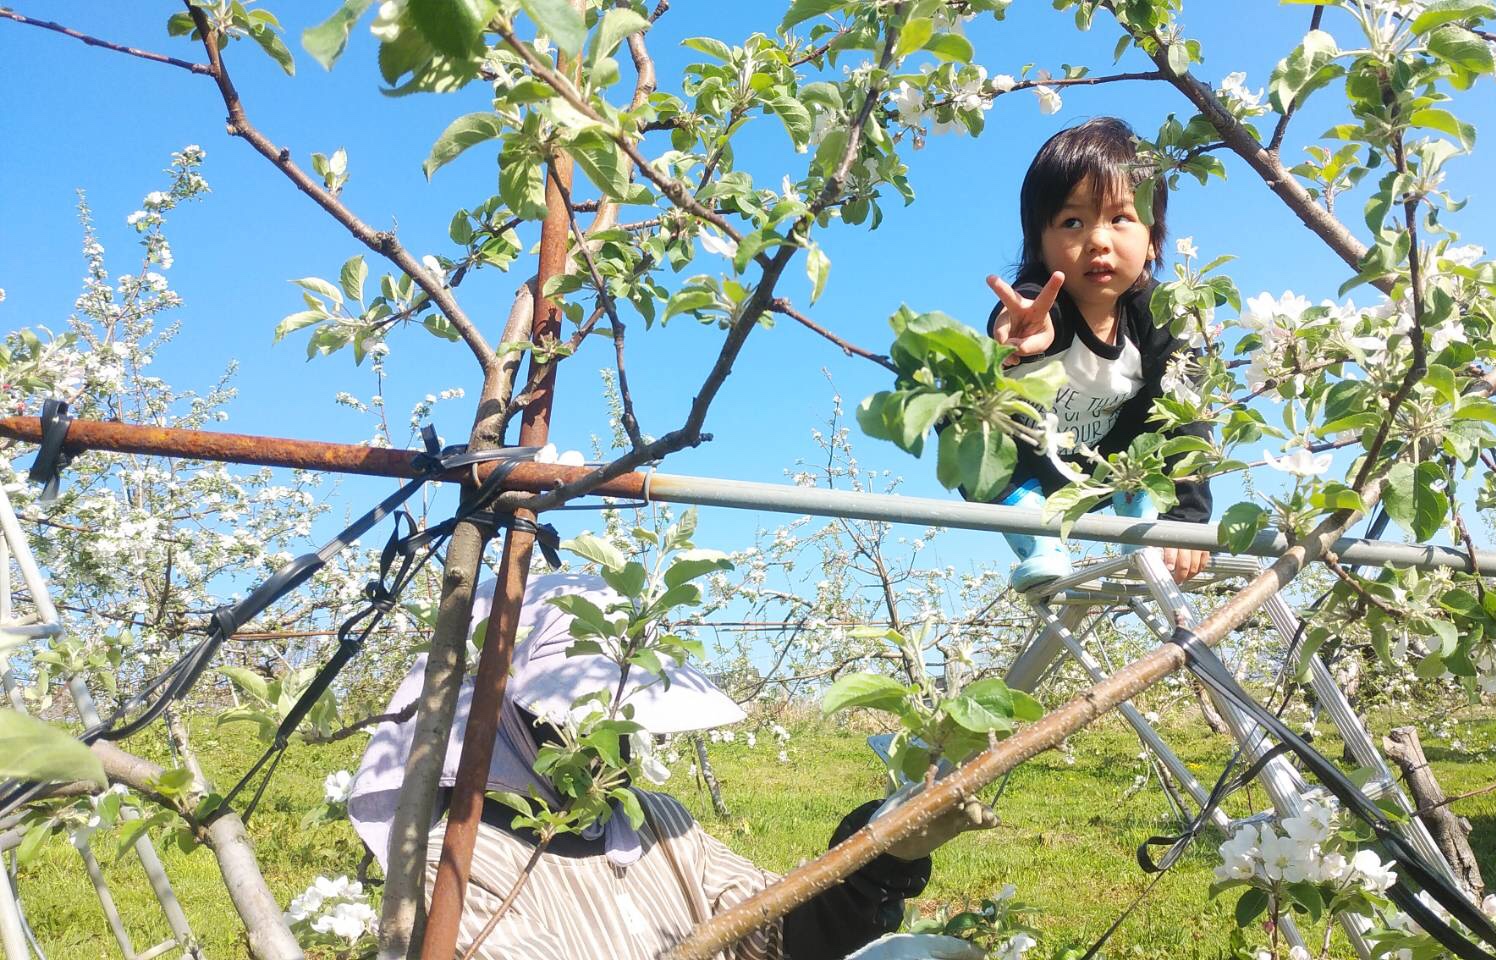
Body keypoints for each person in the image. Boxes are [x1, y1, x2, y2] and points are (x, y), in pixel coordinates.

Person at [348, 572, 996, 959]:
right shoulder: (456, 866)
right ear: (507, 719)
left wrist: (879, 855)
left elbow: (771, 932)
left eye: (630, 717)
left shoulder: (657, 821)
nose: (616, 741)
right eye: (585, 716)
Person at [980, 116, 1213, 590]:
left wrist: (1187, 519)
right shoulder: (1042, 307)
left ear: (1154, 239)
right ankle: (1035, 533)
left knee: (1177, 394)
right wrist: (1019, 330)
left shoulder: (1163, 319)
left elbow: (1192, 420)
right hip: (1032, 472)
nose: (1098, 240)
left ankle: (1141, 501)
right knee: (957, 404)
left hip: (1109, 464)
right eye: (1072, 222)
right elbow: (1028, 313)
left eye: (1120, 218)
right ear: (1039, 247)